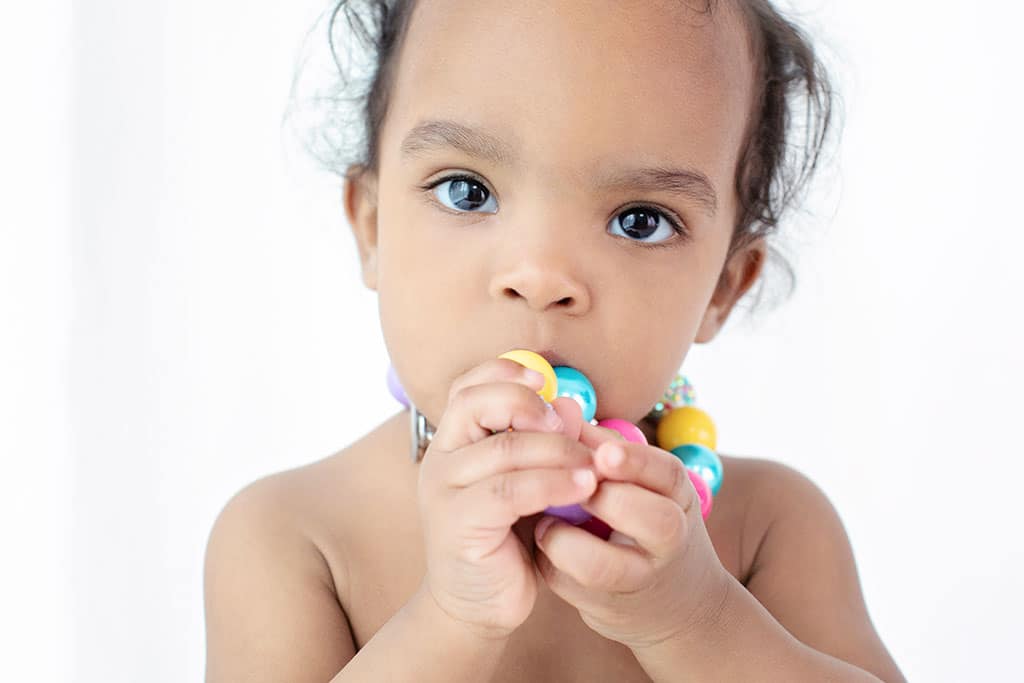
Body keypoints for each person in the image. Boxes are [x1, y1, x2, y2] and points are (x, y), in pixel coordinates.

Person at [203, 0, 905, 680]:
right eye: (466, 191)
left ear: (723, 286)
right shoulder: (293, 539)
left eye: (639, 220)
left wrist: (696, 619)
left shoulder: (766, 530)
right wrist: (451, 620)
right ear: (372, 227)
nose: (541, 277)